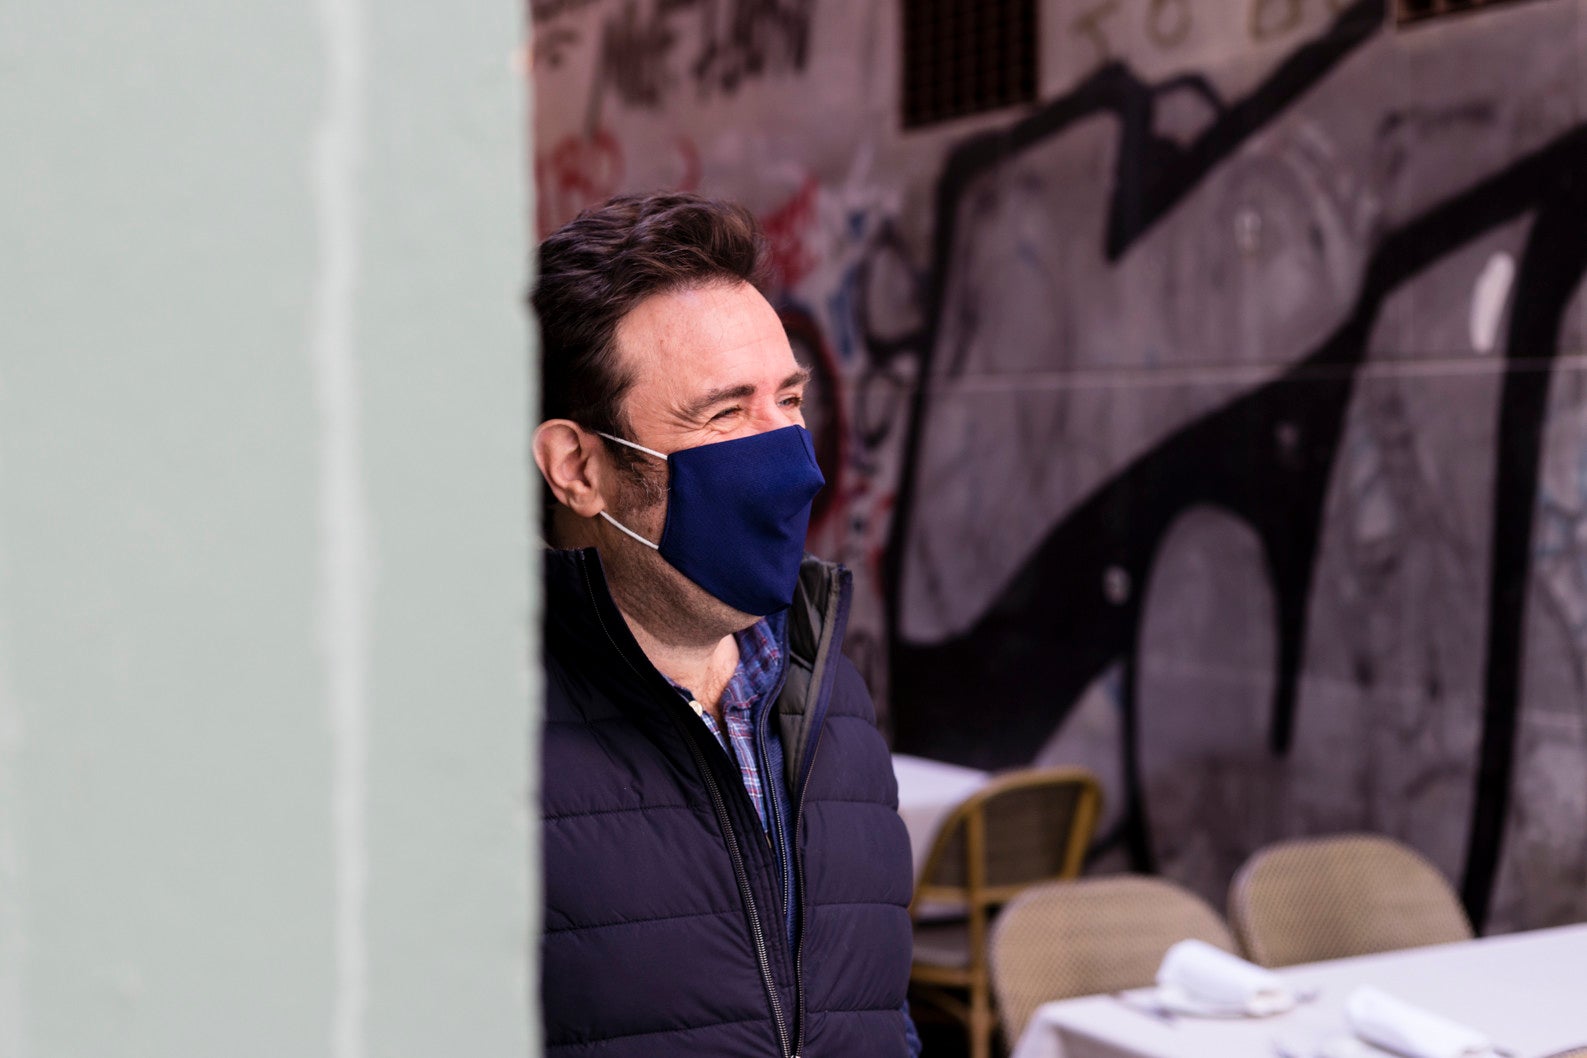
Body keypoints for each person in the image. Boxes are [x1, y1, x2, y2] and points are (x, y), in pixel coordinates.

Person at [533, 191, 919, 1058]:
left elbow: (875, 1014)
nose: (790, 461)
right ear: (578, 469)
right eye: (724, 412)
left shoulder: (828, 696)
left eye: (789, 399)